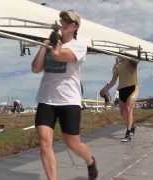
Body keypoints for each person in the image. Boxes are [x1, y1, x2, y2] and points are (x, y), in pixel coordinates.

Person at [31, 10, 98, 180]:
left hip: (69, 100)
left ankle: (90, 161)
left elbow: (59, 55)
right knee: (45, 142)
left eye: (67, 21)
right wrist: (43, 46)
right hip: (46, 100)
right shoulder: (51, 45)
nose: (63, 23)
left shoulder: (79, 46)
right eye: (62, 20)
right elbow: (36, 69)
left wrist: (54, 45)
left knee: (72, 143)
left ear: (75, 26)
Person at [101, 57, 138, 142]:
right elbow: (113, 81)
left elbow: (133, 71)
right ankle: (132, 126)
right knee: (122, 112)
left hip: (133, 87)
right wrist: (105, 88)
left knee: (129, 109)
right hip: (121, 89)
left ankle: (128, 134)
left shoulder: (132, 60)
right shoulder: (117, 66)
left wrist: (130, 61)